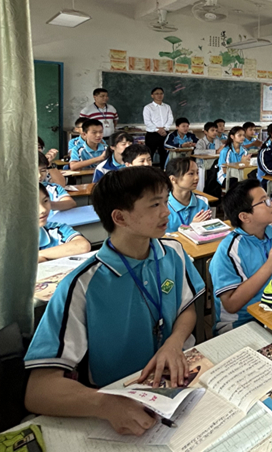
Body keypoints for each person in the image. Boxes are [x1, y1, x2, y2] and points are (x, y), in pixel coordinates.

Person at [24, 168, 206, 436]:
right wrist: (104, 404)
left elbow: (186, 308)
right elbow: (39, 391)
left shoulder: (173, 252)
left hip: (178, 383)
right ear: (119, 217)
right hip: (118, 398)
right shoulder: (82, 285)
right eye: (155, 205)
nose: (166, 212)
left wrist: (174, 342)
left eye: (166, 202)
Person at [209, 179, 272, 335]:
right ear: (244, 217)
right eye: (264, 202)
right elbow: (231, 305)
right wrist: (270, 265)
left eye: (269, 198)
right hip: (242, 323)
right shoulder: (229, 250)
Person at [37, 184, 90, 263]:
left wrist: (38, 255)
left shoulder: (54, 229)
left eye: (45, 201)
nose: (43, 210)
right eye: (33, 205)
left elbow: (83, 245)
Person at [165, 157, 212, 232]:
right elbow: (161, 237)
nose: (197, 178)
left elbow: (210, 231)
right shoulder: (163, 206)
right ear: (173, 179)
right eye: (191, 174)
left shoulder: (202, 202)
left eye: (197, 173)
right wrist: (191, 227)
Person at [142, 87, 173, 168]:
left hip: (165, 133)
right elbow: (147, 121)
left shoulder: (167, 107)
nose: (159, 95)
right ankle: (149, 171)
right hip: (152, 134)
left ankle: (164, 171)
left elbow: (170, 119)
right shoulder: (148, 107)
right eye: (157, 94)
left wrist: (164, 129)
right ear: (152, 95)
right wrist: (157, 130)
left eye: (161, 93)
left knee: (164, 154)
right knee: (149, 154)